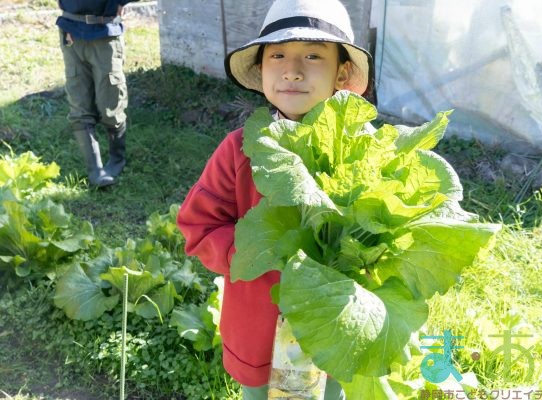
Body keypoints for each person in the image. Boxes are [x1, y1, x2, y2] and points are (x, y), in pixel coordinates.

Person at [176, 0, 373, 398]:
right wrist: (256, 253)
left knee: (331, 391)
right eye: (278, 54)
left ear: (343, 72)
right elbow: (198, 227)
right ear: (262, 69)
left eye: (314, 56)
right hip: (258, 331)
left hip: (336, 322)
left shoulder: (364, 150)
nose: (292, 70)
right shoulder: (239, 150)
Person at [56, 0, 137, 187]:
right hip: (71, 29)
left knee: (110, 102)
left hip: (104, 31)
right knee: (79, 103)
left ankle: (116, 160)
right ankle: (95, 169)